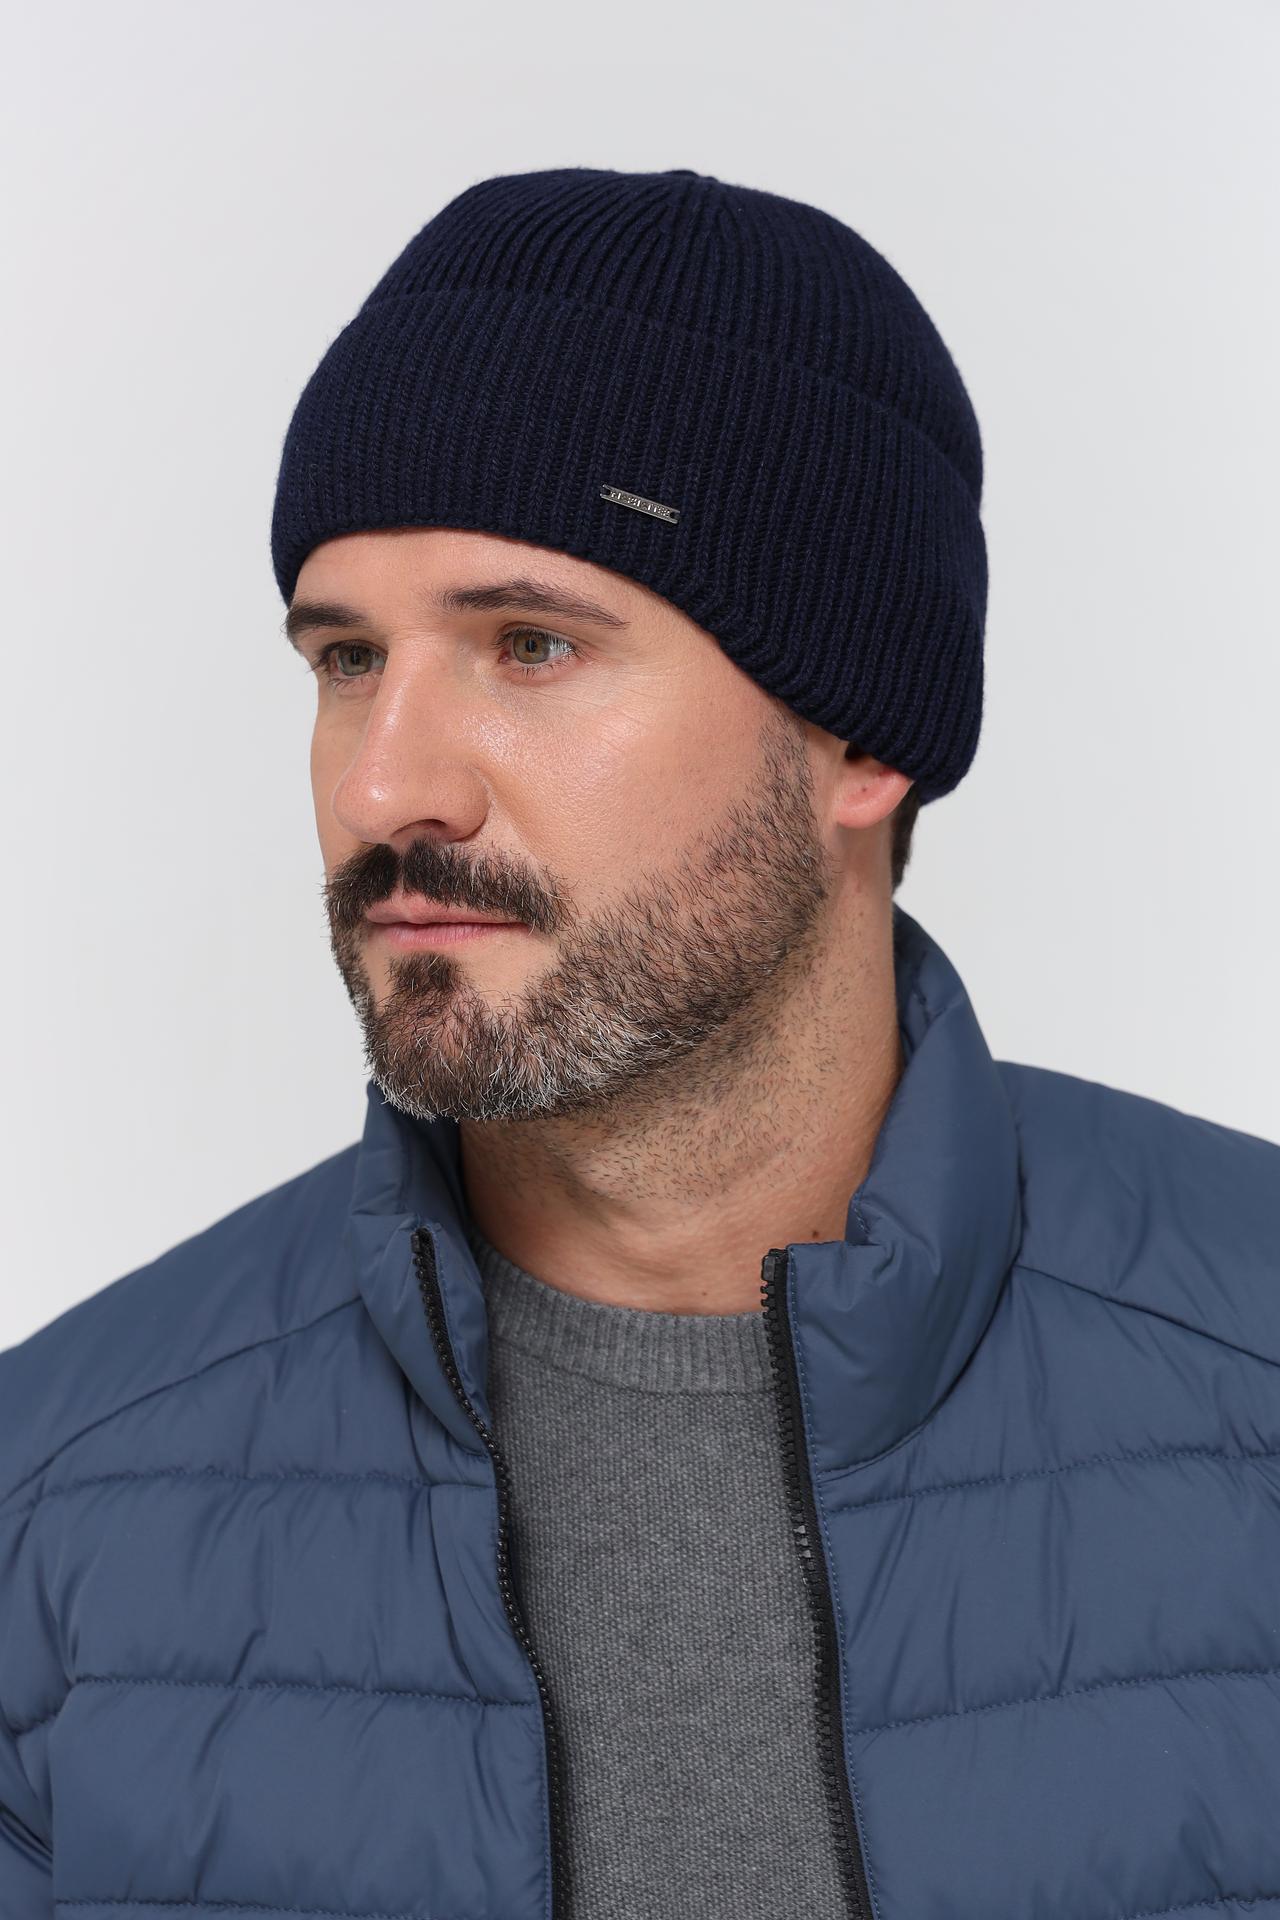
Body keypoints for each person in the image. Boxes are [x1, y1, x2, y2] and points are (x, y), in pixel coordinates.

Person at [1, 167, 1276, 1920]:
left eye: (529, 646)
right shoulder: (59, 1496)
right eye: (348, 659)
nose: (385, 786)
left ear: (861, 740)